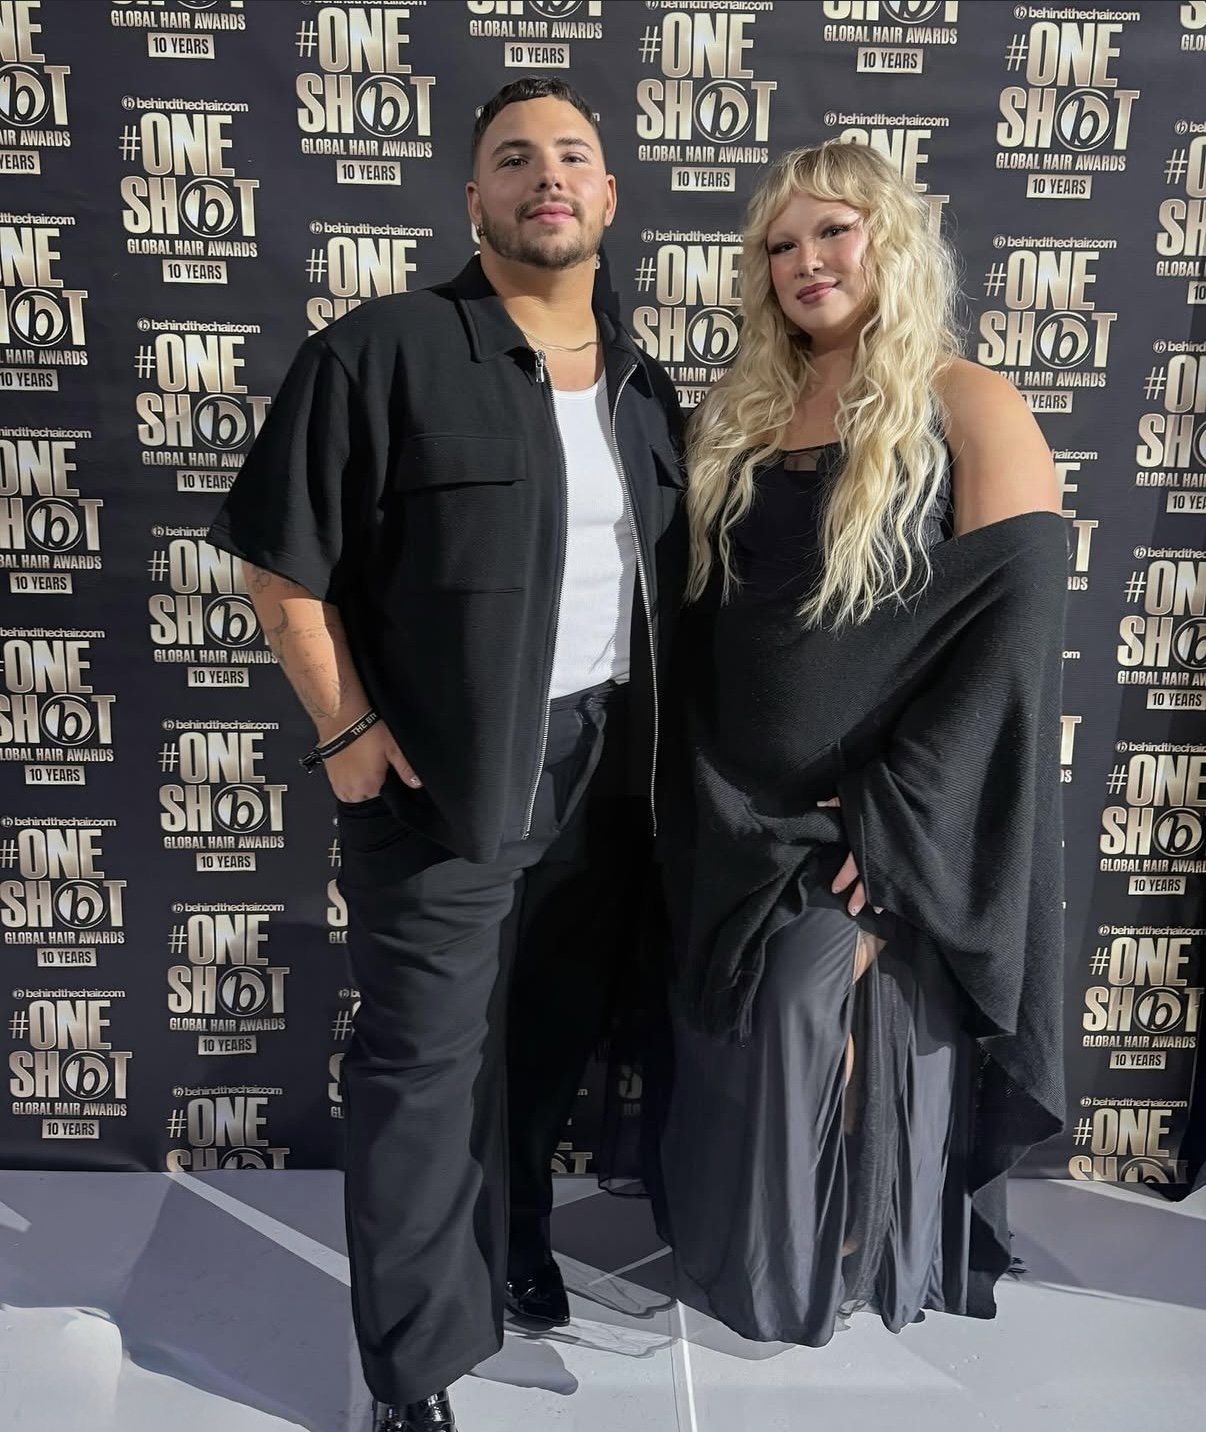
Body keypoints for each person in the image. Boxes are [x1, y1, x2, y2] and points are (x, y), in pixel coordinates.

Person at [206, 78, 684, 1432]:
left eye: (571, 157)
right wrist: (347, 732)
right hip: (438, 775)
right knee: (424, 1066)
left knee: (541, 1041)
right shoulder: (381, 352)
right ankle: (411, 1361)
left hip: (603, 771)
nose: (545, 176)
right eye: (512, 158)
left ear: (605, 198)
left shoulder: (646, 390)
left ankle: (513, 1240)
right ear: (471, 198)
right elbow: (277, 559)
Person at [655, 141, 1068, 1346]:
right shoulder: (743, 413)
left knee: (801, 998)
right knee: (723, 1005)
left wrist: (896, 818)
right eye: (779, 245)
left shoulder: (967, 400)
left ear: (890, 238)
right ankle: (741, 1244)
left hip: (883, 823)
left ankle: (840, 1256)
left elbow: (1014, 631)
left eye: (831, 232)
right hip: (734, 804)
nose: (803, 262)